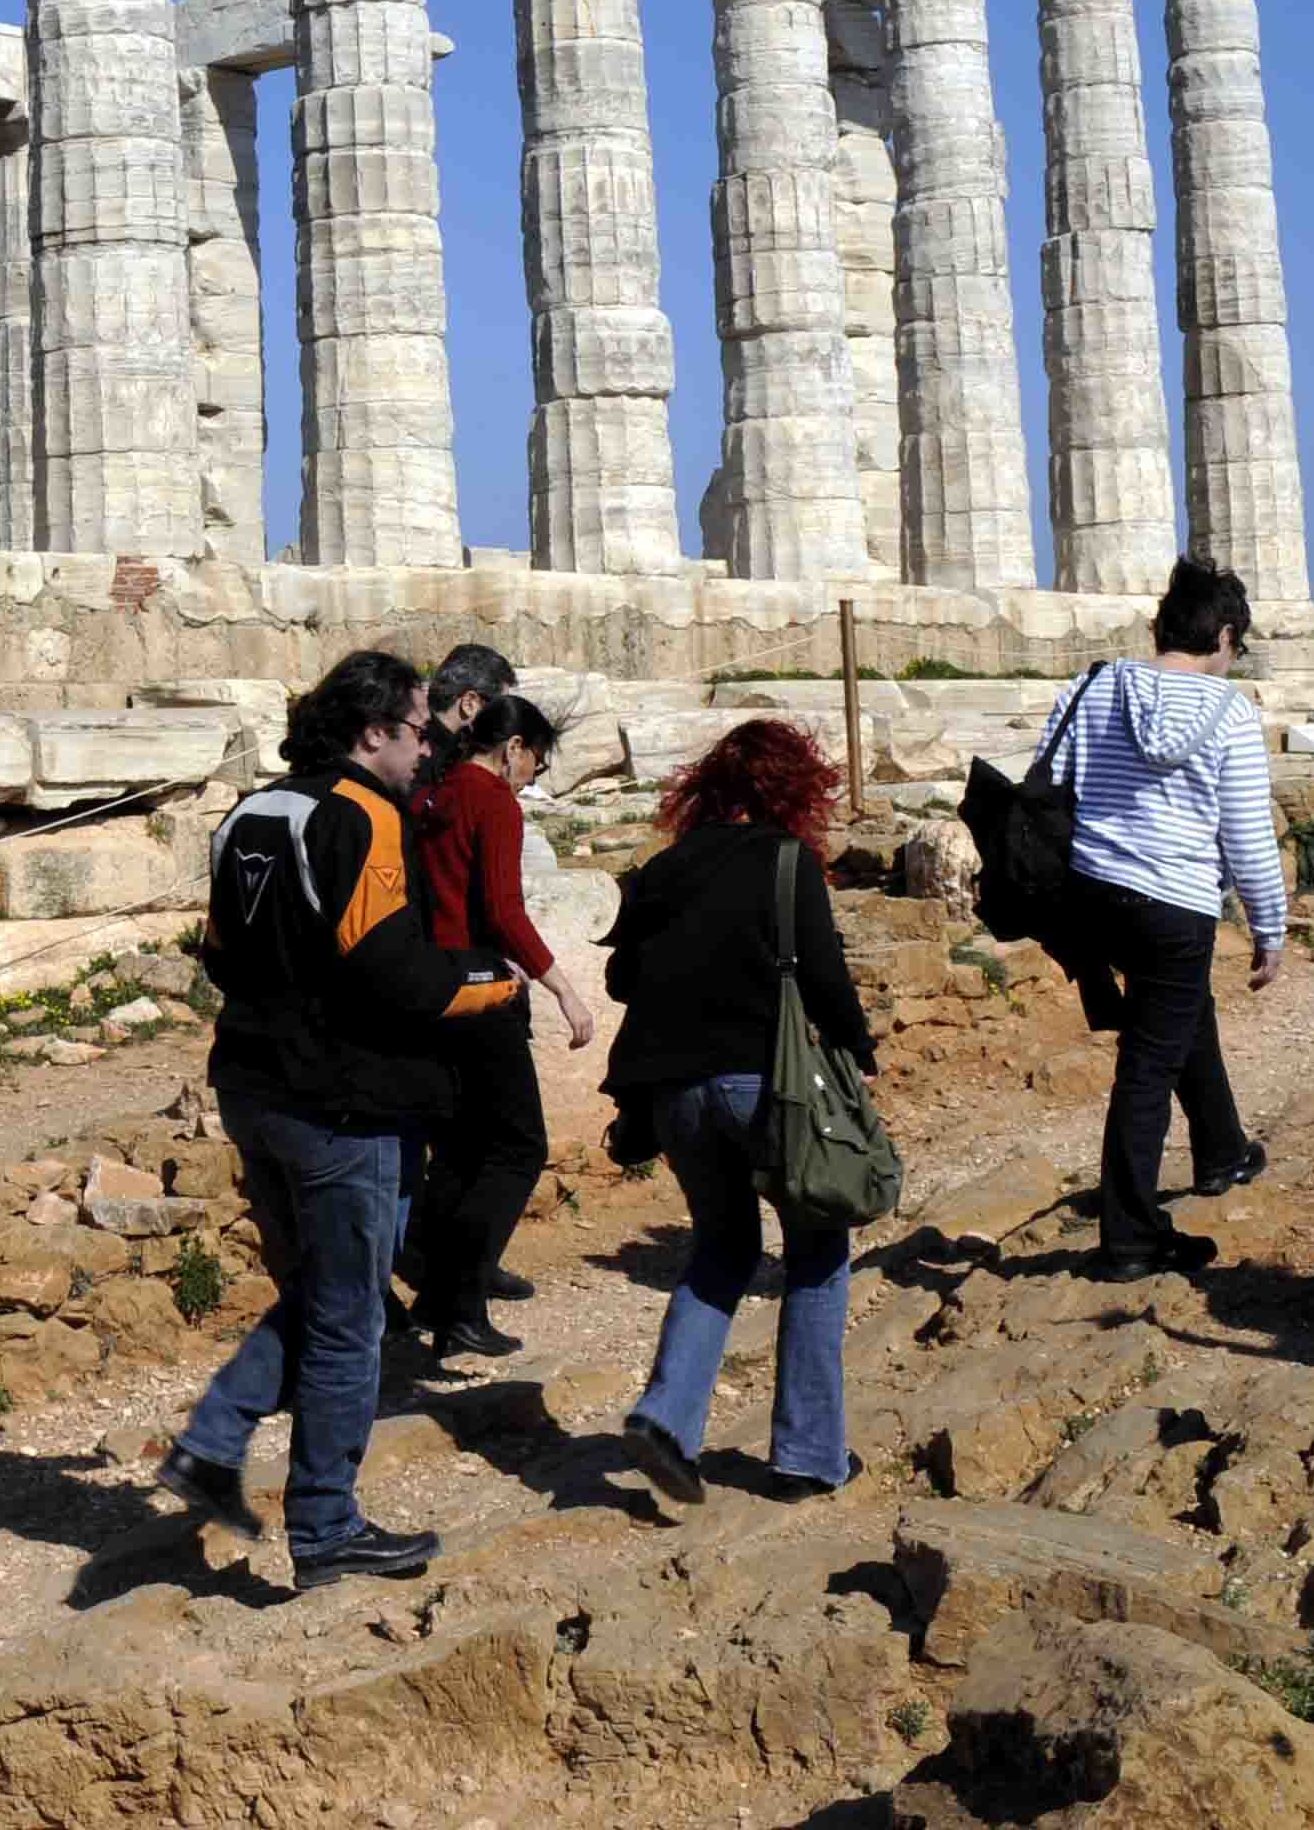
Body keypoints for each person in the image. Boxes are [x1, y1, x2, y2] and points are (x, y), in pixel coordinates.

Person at [161, 649, 522, 1587]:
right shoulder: (367, 816)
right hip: (344, 1099)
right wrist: (487, 983)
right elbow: (390, 972)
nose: (428, 746)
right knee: (350, 1317)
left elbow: (220, 955)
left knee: (329, 1289)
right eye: (418, 729)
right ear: (374, 733)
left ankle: (213, 1438)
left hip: (254, 1083)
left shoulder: (252, 808)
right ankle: (324, 1528)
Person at [601, 718, 876, 1513]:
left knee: (721, 1248)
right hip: (769, 1086)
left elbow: (623, 980)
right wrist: (860, 1050)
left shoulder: (662, 870)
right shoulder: (787, 865)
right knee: (819, 1248)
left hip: (675, 1094)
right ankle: (807, 1456)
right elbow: (825, 979)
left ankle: (665, 1420)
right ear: (793, 789)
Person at [1052, 556, 1290, 1280]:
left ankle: (1222, 1150)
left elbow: (1047, 786)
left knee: (1181, 1009)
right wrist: (1270, 926)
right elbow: (1246, 834)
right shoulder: (1230, 712)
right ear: (1222, 636)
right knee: (1147, 1068)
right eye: (1235, 647)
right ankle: (1130, 1237)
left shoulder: (1091, 686)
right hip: (1173, 904)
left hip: (1091, 897)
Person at [395, 690, 599, 1365]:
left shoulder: (435, 793)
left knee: (458, 1151)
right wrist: (565, 989)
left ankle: (439, 1292)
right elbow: (503, 912)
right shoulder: (492, 801)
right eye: (535, 763)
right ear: (512, 749)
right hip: (482, 989)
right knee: (517, 1147)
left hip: (429, 986)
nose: (530, 777)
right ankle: (462, 1304)